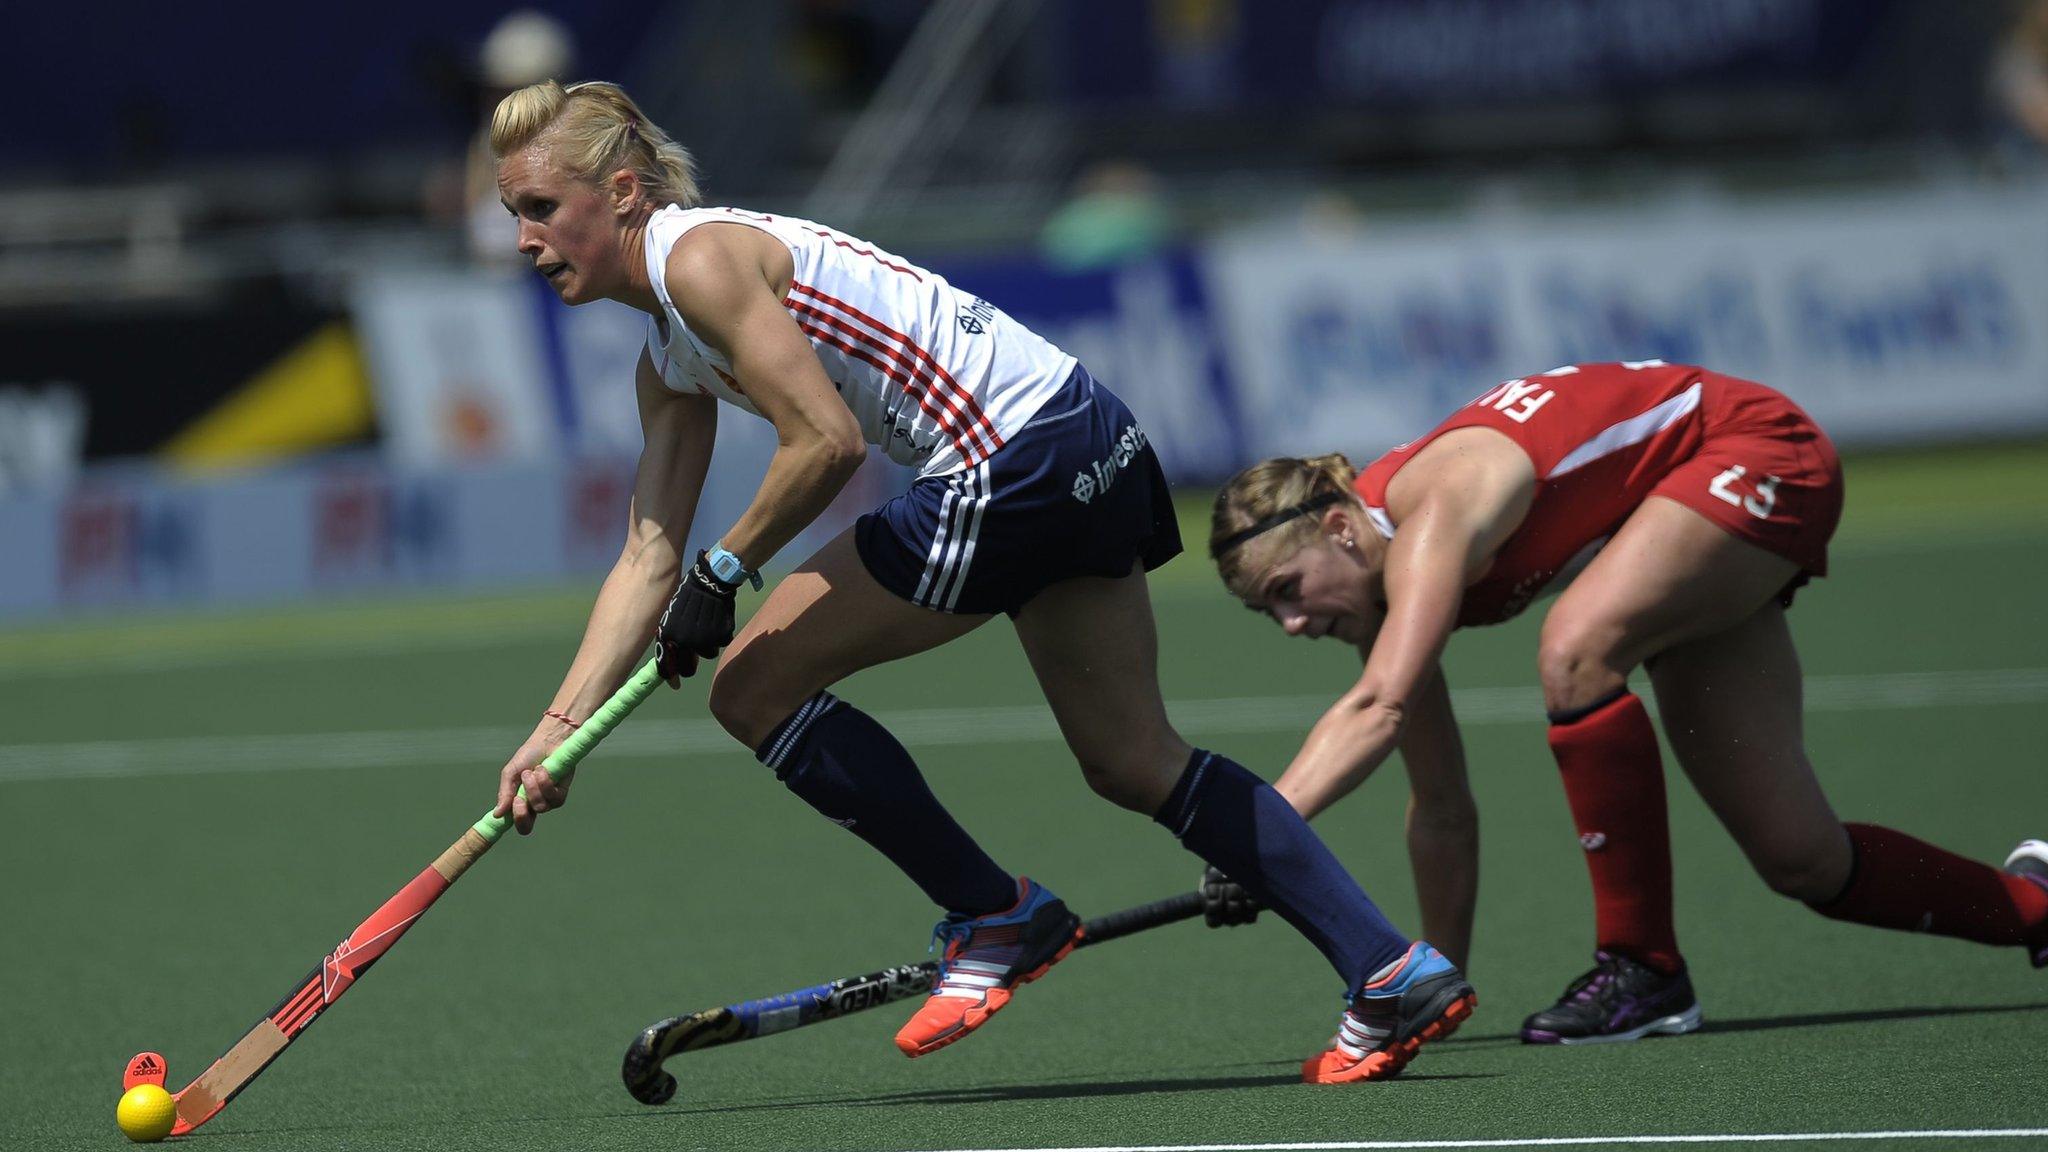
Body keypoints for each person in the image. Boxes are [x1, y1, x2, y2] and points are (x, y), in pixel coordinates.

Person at [482, 78, 1475, 1082]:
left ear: (618, 191)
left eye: (538, 208)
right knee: (1132, 759)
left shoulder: (696, 257)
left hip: (1007, 460)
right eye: (513, 213)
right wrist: (557, 734)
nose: (523, 238)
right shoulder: (668, 359)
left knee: (751, 686)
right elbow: (646, 554)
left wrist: (727, 567)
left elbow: (821, 441)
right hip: (1091, 434)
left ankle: (994, 916)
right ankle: (1389, 970)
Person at [1203, 359, 2048, 1044]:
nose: (1288, 623)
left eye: (1288, 589)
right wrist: (1433, 982)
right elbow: (1444, 805)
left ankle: (1642, 967)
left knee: (1575, 649)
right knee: (1803, 859)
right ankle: (2036, 906)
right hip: (1670, 518)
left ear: (1343, 531)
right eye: (1265, 609)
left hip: (1752, 448)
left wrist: (1253, 836)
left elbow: (1379, 706)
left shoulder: (1431, 514)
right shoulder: (1378, 592)